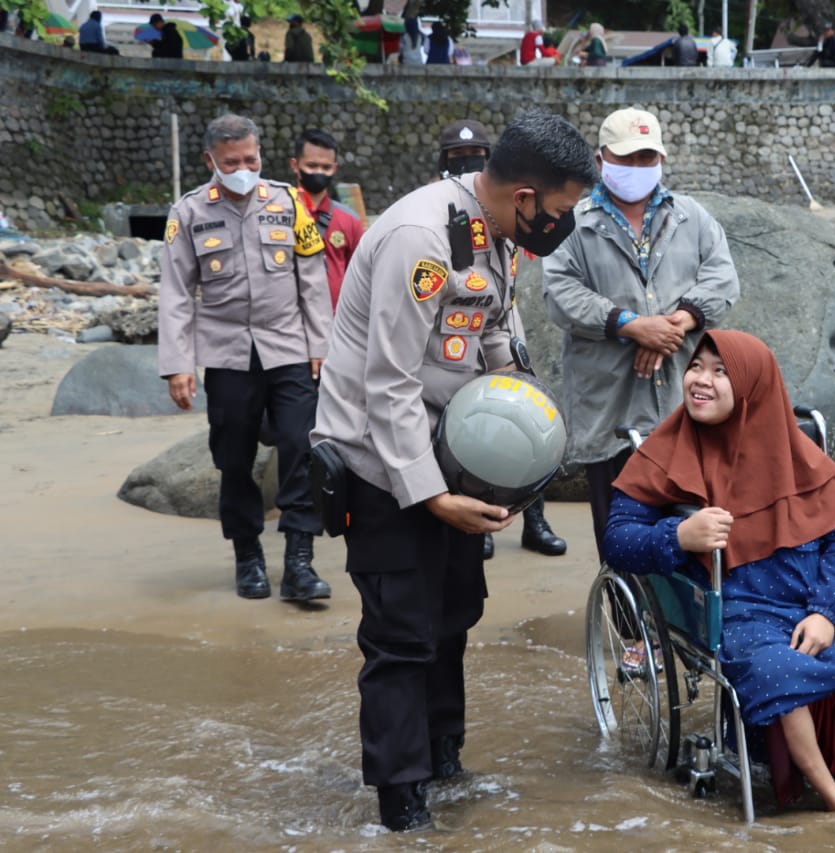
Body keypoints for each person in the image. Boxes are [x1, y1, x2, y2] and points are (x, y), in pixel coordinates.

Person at [311, 108, 595, 833]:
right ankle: (402, 801)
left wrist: (523, 401)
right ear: (526, 196)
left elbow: (493, 327)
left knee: (452, 618)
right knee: (401, 636)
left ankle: (444, 759)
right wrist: (431, 495)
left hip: (457, 456)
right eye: (560, 211)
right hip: (385, 467)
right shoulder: (421, 237)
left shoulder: (489, 232)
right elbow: (390, 382)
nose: (563, 225)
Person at [603, 329, 835, 811]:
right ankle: (833, 801)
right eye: (696, 367)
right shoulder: (664, 451)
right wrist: (677, 536)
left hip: (818, 598)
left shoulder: (797, 451)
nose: (701, 380)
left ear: (753, 387)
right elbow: (617, 539)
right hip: (741, 608)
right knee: (783, 679)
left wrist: (825, 611)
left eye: (720, 372)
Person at [542, 107, 739, 562]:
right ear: (600, 159)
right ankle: (628, 628)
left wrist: (675, 324)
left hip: (684, 402)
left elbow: (723, 278)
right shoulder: (572, 222)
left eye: (647, 159)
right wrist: (630, 325)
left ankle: (678, 627)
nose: (637, 169)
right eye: (626, 159)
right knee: (619, 533)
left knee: (691, 526)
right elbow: (561, 293)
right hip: (611, 405)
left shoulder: (691, 216)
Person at [158, 113, 332, 603]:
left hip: (289, 348)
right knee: (234, 458)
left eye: (250, 159)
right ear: (210, 160)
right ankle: (248, 556)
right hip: (227, 353)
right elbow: (175, 292)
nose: (243, 168)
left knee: (302, 446)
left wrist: (323, 348)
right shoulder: (189, 212)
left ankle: (300, 561)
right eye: (231, 161)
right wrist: (177, 364)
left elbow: (312, 281)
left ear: (261, 154)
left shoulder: (288, 202)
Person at [433, 118, 568, 558]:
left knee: (524, 425)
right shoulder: (441, 215)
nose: (467, 163)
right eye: (457, 158)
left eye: (474, 157)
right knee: (484, 434)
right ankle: (483, 517)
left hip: (504, 331)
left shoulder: (504, 210)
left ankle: (535, 519)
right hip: (458, 343)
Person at [290, 129, 364, 312]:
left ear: (335, 168)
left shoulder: (349, 220)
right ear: (295, 165)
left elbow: (361, 276)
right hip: (289, 322)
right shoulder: (279, 215)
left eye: (326, 168)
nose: (318, 172)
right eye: (311, 166)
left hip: (335, 320)